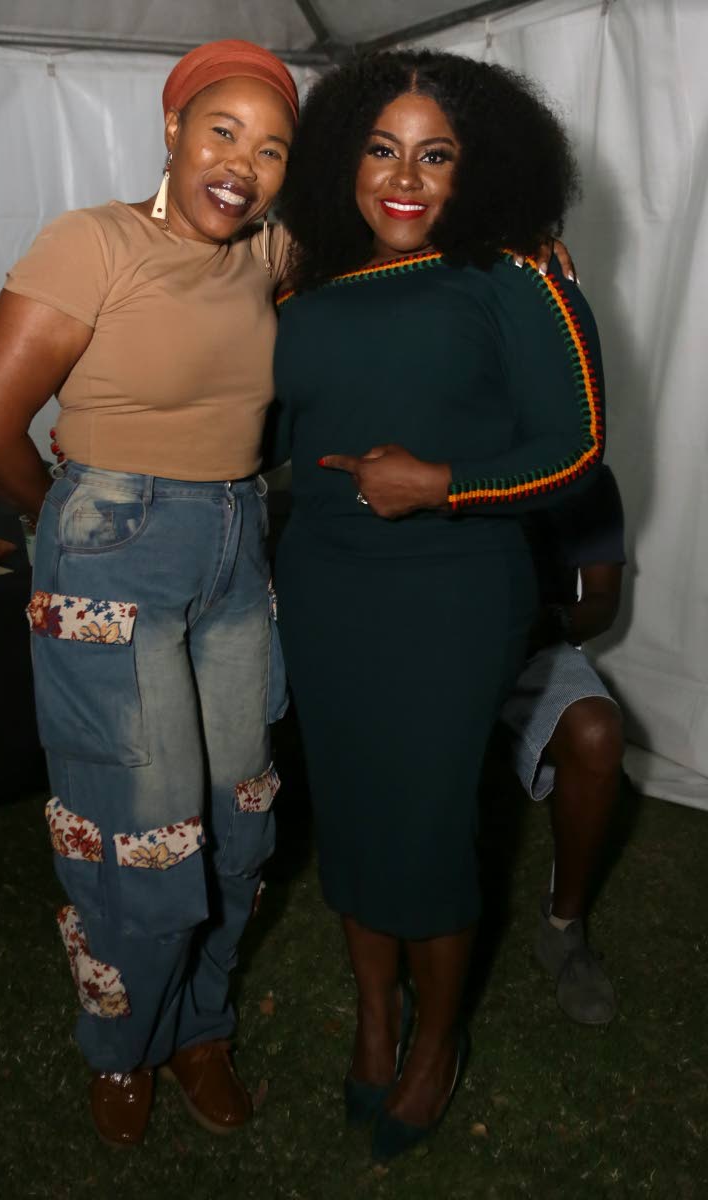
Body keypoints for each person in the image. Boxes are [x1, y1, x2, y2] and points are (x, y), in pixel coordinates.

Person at [0, 40, 299, 1148]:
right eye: (222, 131)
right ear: (172, 130)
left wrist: (516, 247)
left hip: (239, 549)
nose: (242, 162)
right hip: (116, 550)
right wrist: (70, 511)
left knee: (239, 821)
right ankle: (122, 1042)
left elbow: (395, 233)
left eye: (271, 146)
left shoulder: (272, 251)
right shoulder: (92, 240)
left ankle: (201, 1025)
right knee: (137, 833)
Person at [271, 50, 605, 1162]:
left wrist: (442, 485)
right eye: (378, 148)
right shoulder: (305, 283)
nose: (401, 177)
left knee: (421, 820)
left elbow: (574, 453)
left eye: (434, 153)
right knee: (355, 815)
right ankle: (373, 1023)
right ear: (341, 161)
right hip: (321, 586)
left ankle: (435, 1042)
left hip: (450, 591)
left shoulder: (513, 273)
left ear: (478, 167)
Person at [500, 463, 625, 1024]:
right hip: (443, 639)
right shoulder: (444, 443)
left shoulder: (585, 475)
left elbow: (601, 600)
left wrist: (545, 622)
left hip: (535, 644)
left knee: (596, 730)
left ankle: (562, 927)